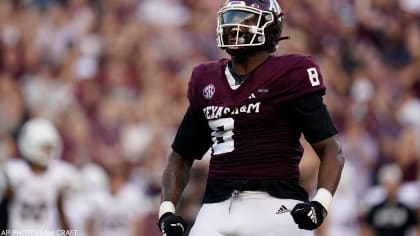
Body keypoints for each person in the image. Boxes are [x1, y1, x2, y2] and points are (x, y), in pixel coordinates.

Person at [158, 0, 345, 235]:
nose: (233, 27)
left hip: (276, 204)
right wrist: (166, 210)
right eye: (230, 19)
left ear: (271, 28)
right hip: (216, 206)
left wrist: (321, 203)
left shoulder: (290, 73)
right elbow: (180, 157)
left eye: (244, 20)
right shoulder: (207, 79)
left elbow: (331, 148)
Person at [0, 118, 77, 235]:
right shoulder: (13, 174)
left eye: (50, 147)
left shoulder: (59, 175)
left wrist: (69, 233)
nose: (48, 152)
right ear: (30, 144)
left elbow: (61, 213)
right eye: (45, 148)